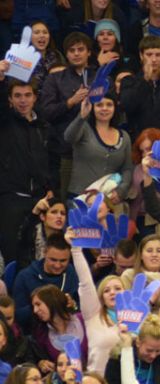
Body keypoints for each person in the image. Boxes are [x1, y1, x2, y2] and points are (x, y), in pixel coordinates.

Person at [0, 78, 54, 263]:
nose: (23, 100)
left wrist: (51, 188)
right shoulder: (4, 123)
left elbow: (53, 161)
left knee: (39, 255)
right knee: (13, 255)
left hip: (40, 199)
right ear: (9, 99)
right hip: (11, 200)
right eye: (17, 96)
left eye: (27, 95)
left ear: (35, 98)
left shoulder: (44, 126)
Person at [37, 32, 96, 196]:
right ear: (66, 54)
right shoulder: (55, 79)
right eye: (71, 50)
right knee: (67, 199)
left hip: (96, 149)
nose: (76, 54)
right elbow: (46, 112)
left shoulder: (100, 77)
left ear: (89, 52)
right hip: (65, 151)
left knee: (98, 201)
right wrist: (70, 101)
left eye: (80, 49)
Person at [67, 229, 122, 374]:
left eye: (118, 288)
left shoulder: (135, 319)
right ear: (101, 297)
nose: (112, 292)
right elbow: (85, 282)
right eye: (107, 290)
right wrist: (76, 250)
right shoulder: (94, 314)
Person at [12, 234, 79, 330]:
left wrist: (73, 305)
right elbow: (18, 317)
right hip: (36, 333)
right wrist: (38, 306)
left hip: (68, 329)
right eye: (53, 260)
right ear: (44, 253)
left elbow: (80, 307)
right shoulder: (25, 277)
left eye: (63, 261)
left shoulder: (71, 272)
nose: (57, 265)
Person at [29, 285, 88, 374]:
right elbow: (41, 359)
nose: (35, 310)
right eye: (33, 306)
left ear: (51, 302)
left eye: (38, 304)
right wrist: (41, 363)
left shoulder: (83, 320)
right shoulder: (41, 333)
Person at [119, 234, 160, 309]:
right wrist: (150, 300)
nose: (154, 254)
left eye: (159, 251)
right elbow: (125, 308)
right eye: (149, 251)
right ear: (141, 255)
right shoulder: (129, 275)